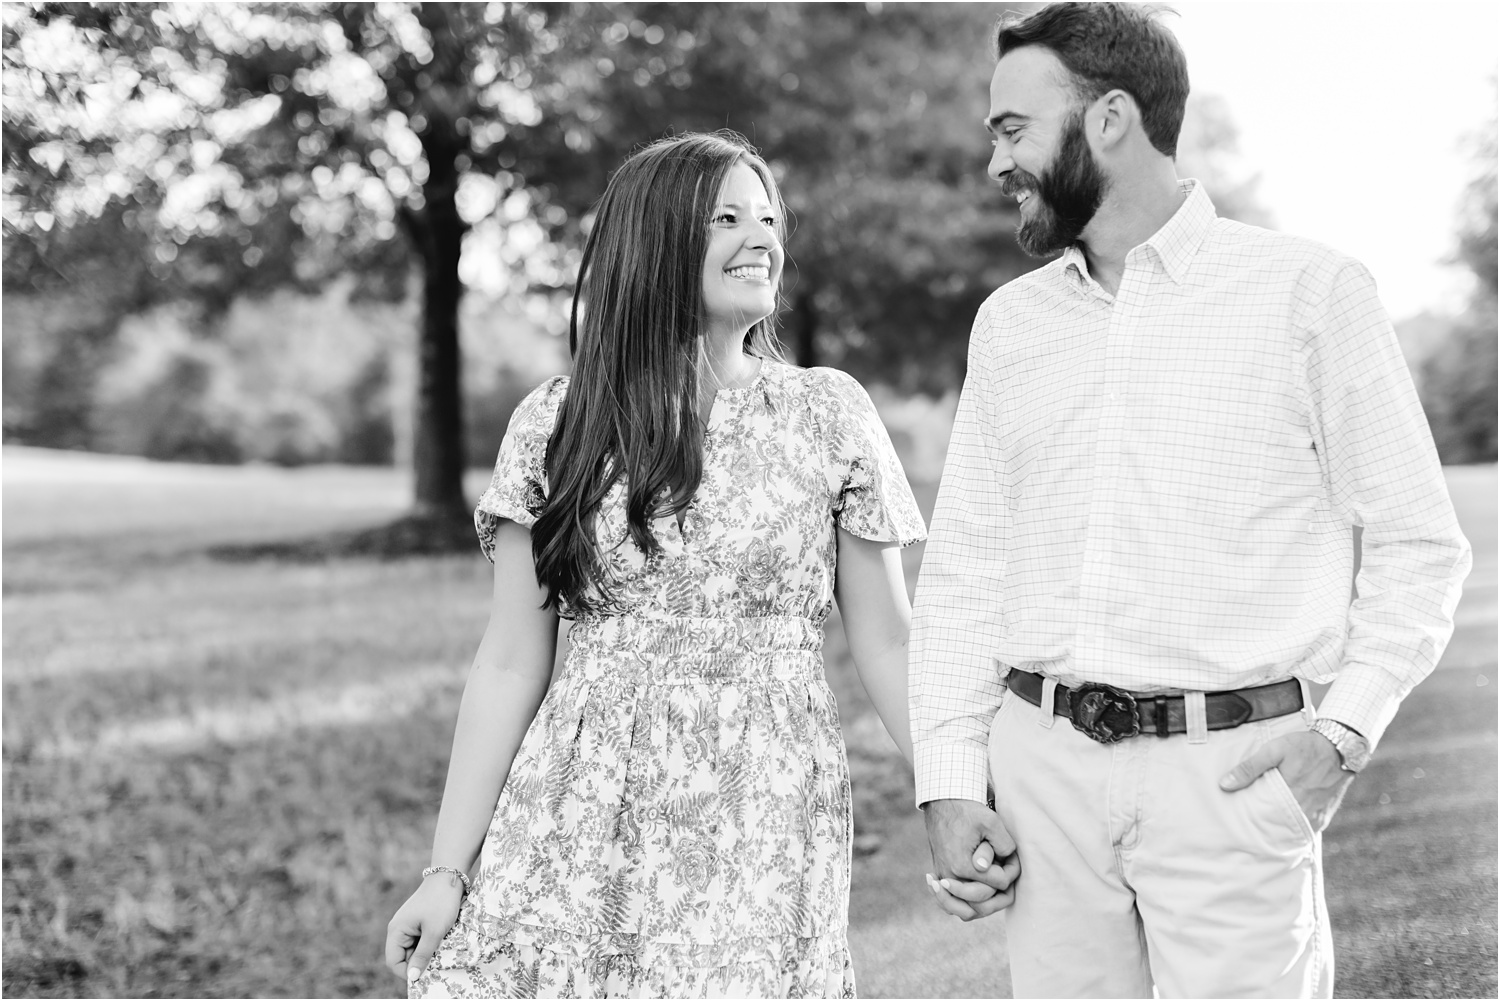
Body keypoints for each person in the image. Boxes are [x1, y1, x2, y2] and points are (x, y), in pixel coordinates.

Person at [908, 4, 1472, 998]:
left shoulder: (1311, 292)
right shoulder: (1009, 325)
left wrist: (1341, 736)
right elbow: (966, 570)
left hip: (1233, 786)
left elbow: (1420, 545)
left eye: (1012, 129)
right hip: (1044, 788)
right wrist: (950, 781)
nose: (995, 164)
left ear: (1111, 118)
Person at [383, 131, 925, 999]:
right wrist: (447, 870)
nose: (764, 238)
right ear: (658, 241)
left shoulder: (829, 414)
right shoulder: (558, 423)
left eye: (769, 216)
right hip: (577, 808)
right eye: (727, 217)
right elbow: (511, 658)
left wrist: (955, 791)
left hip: (762, 810)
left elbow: (890, 641)